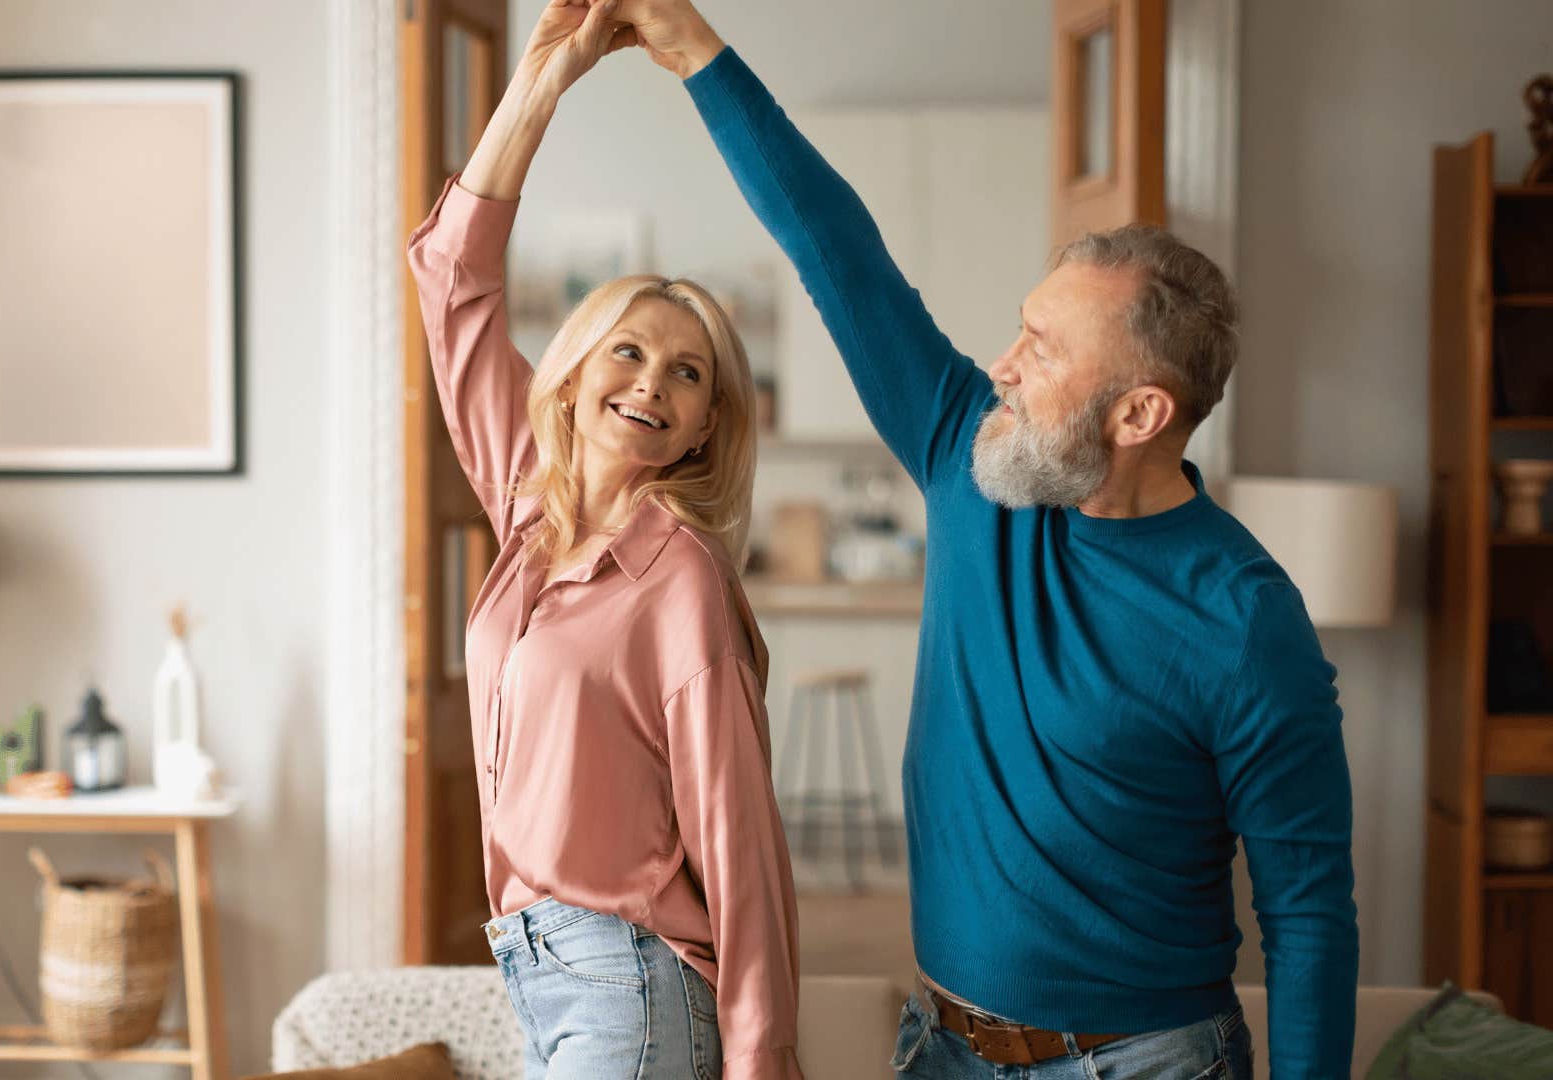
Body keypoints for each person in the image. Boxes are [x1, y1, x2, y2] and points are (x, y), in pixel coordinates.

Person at [596, 3, 1361, 1077]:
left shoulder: (1244, 619)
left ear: (1139, 415)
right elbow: (837, 249)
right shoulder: (973, 458)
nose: (1001, 362)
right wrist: (691, 49)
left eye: (1043, 351)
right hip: (940, 1048)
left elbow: (1310, 913)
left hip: (1145, 1062)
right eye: (1020, 325)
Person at [405, 2, 806, 1076]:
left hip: (633, 976)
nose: (652, 384)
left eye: (689, 375)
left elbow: (740, 834)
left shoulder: (680, 578)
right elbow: (452, 282)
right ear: (574, 377)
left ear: (709, 423)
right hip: (539, 978)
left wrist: (762, 1054)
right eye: (629, 352)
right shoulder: (530, 510)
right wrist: (544, 75)